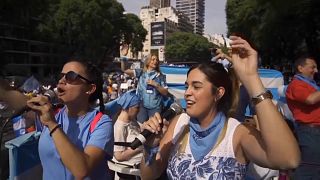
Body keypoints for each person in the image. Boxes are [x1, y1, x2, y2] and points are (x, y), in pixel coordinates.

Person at [139, 36, 300, 179]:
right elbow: (148, 175)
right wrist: (149, 149)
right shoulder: (179, 123)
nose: (187, 93)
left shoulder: (237, 133)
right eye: (187, 86)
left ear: (218, 93)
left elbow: (288, 159)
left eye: (196, 86)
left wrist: (251, 78)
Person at [26, 59, 114, 179]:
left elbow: (81, 170)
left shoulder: (102, 123)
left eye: (71, 76)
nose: (62, 81)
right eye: (61, 76)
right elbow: (20, 104)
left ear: (90, 89)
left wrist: (52, 124)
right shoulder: (53, 113)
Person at [285, 55, 320, 179]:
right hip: (310, 131)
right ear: (300, 68)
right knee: (310, 169)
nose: (316, 71)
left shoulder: (311, 85)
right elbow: (310, 99)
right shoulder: (296, 85)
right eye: (312, 67)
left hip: (314, 131)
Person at [120, 51, 169, 123]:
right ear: (148, 61)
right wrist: (123, 57)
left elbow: (165, 92)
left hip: (155, 107)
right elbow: (125, 70)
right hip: (142, 106)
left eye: (157, 60)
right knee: (141, 126)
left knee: (153, 129)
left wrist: (156, 85)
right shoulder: (141, 72)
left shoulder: (160, 76)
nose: (155, 61)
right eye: (153, 59)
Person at [113, 90, 143, 179]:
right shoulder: (120, 127)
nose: (139, 110)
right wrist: (140, 148)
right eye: (137, 107)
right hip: (129, 173)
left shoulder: (132, 121)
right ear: (128, 108)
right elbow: (118, 156)